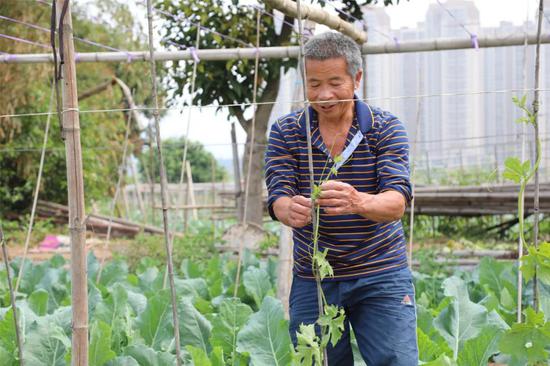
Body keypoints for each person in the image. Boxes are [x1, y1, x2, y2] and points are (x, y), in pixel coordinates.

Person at [264, 32, 418, 366]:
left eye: (335, 82)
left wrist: (357, 201)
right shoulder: (287, 132)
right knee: (316, 362)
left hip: (380, 275)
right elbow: (278, 195)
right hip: (314, 278)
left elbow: (396, 203)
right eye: (314, 83)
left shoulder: (384, 128)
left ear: (356, 78)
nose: (324, 94)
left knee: (397, 362)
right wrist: (287, 209)